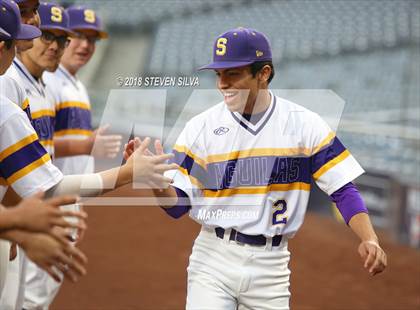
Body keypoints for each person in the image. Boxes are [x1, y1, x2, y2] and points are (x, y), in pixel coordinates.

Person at [125, 27, 387, 309]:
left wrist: (370, 238)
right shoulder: (200, 127)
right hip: (213, 257)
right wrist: (156, 183)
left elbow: (342, 189)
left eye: (233, 74)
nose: (222, 83)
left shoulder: (305, 124)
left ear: (263, 74)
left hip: (272, 267)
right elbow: (178, 206)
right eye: (218, 75)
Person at [0, 0, 87, 301]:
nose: (53, 45)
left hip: (31, 204)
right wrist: (13, 223)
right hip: (24, 207)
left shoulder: (42, 87)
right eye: (47, 35)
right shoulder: (9, 84)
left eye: (62, 39)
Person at [44, 5, 119, 176]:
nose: (86, 45)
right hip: (50, 192)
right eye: (78, 35)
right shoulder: (47, 80)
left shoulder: (78, 85)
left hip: (70, 192)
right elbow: (33, 145)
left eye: (92, 39)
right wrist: (85, 146)